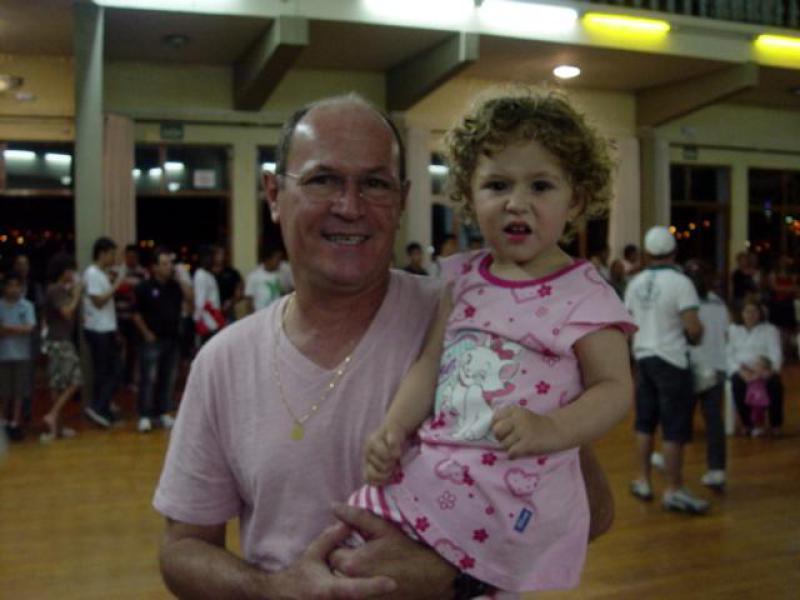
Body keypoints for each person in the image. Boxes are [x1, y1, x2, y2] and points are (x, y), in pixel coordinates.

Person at [153, 93, 617, 599]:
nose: (349, 207)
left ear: (402, 199)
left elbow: (591, 511)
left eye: (375, 183)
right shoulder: (223, 361)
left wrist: (456, 575)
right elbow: (181, 549)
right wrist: (273, 591)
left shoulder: (481, 319)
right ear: (274, 194)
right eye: (322, 180)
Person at [351, 89, 635, 595]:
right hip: (432, 474)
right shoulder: (463, 279)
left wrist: (552, 428)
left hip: (513, 497)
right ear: (469, 194)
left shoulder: (586, 295)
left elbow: (614, 387)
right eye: (497, 185)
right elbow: (430, 364)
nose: (516, 202)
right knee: (355, 553)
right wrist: (393, 427)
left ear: (576, 200)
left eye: (541, 185)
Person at [626, 226, 709, 514]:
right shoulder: (681, 283)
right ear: (674, 251)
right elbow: (693, 329)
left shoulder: (634, 283)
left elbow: (628, 326)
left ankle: (643, 480)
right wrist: (699, 335)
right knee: (674, 428)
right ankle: (674, 489)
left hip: (643, 358)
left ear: (647, 254)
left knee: (644, 423)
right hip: (671, 360)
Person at [132, 248, 192, 433]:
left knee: (168, 377)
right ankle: (145, 415)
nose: (169, 267)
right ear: (155, 267)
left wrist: (181, 279)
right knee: (149, 378)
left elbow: (190, 300)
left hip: (172, 338)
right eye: (164, 264)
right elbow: (136, 314)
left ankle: (163, 412)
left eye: (170, 263)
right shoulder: (144, 287)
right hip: (152, 339)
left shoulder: (175, 286)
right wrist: (146, 333)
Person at [684, 259, 729, 489]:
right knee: (713, 420)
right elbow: (725, 335)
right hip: (717, 365)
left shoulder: (686, 304)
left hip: (691, 365)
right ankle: (717, 469)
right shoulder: (719, 303)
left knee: (679, 418)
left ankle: (674, 461)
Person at [41, 254, 83, 442]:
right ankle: (53, 415)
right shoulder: (56, 289)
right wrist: (77, 293)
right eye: (71, 270)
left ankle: (57, 427)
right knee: (75, 380)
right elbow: (67, 311)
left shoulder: (58, 289)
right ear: (64, 271)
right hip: (59, 341)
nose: (73, 274)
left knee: (59, 384)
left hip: (59, 339)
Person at [82, 236, 124, 428]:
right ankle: (97, 407)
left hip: (106, 328)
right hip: (98, 330)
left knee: (110, 370)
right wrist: (116, 285)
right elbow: (98, 302)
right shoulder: (92, 273)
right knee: (107, 371)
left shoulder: (101, 273)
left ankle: (102, 408)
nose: (114, 258)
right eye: (112, 254)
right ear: (102, 253)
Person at [728, 300, 783, 437]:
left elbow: (776, 353)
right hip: (742, 370)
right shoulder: (733, 330)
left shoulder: (770, 330)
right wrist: (740, 371)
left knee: (775, 384)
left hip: (764, 368)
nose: (751, 315)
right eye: (747, 311)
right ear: (741, 313)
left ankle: (775, 424)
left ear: (760, 313)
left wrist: (767, 370)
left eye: (754, 311)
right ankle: (747, 424)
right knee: (737, 384)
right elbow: (728, 355)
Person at [0, 271, 36, 442]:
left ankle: (15, 422)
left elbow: (29, 328)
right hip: (2, 354)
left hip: (22, 354)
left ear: (21, 287)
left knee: (19, 392)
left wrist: (8, 329)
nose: (13, 289)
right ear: (4, 287)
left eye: (17, 285)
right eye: (10, 285)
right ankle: (3, 422)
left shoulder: (27, 306)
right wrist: (17, 329)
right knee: (4, 391)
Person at [114, 244, 148, 389]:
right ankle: (118, 380)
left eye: (133, 257)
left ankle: (129, 380)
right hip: (119, 317)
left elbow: (144, 292)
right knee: (118, 350)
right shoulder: (117, 271)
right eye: (128, 256)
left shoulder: (143, 273)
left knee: (133, 351)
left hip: (134, 318)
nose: (131, 259)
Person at [192, 244, 224, 346]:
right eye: (212, 257)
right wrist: (199, 322)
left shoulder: (209, 274)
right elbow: (200, 302)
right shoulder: (200, 275)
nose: (214, 260)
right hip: (208, 324)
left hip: (214, 321)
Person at [244, 246, 286, 313]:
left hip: (276, 315)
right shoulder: (254, 276)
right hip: (260, 315)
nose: (279, 262)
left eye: (280, 259)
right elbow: (248, 302)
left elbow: (283, 295)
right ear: (268, 259)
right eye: (277, 259)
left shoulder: (281, 274)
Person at [212, 245, 244, 323]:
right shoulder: (208, 274)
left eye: (223, 254)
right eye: (218, 254)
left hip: (229, 312)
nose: (221, 256)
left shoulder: (232, 272)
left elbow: (240, 289)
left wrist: (231, 302)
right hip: (212, 312)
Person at [744, 355, 773, 435]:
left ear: (764, 367)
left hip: (760, 398)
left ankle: (759, 427)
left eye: (758, 364)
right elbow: (747, 380)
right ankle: (755, 426)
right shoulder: (752, 374)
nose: (756, 366)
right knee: (753, 413)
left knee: (758, 413)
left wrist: (762, 374)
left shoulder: (764, 374)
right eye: (755, 364)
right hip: (752, 397)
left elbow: (767, 376)